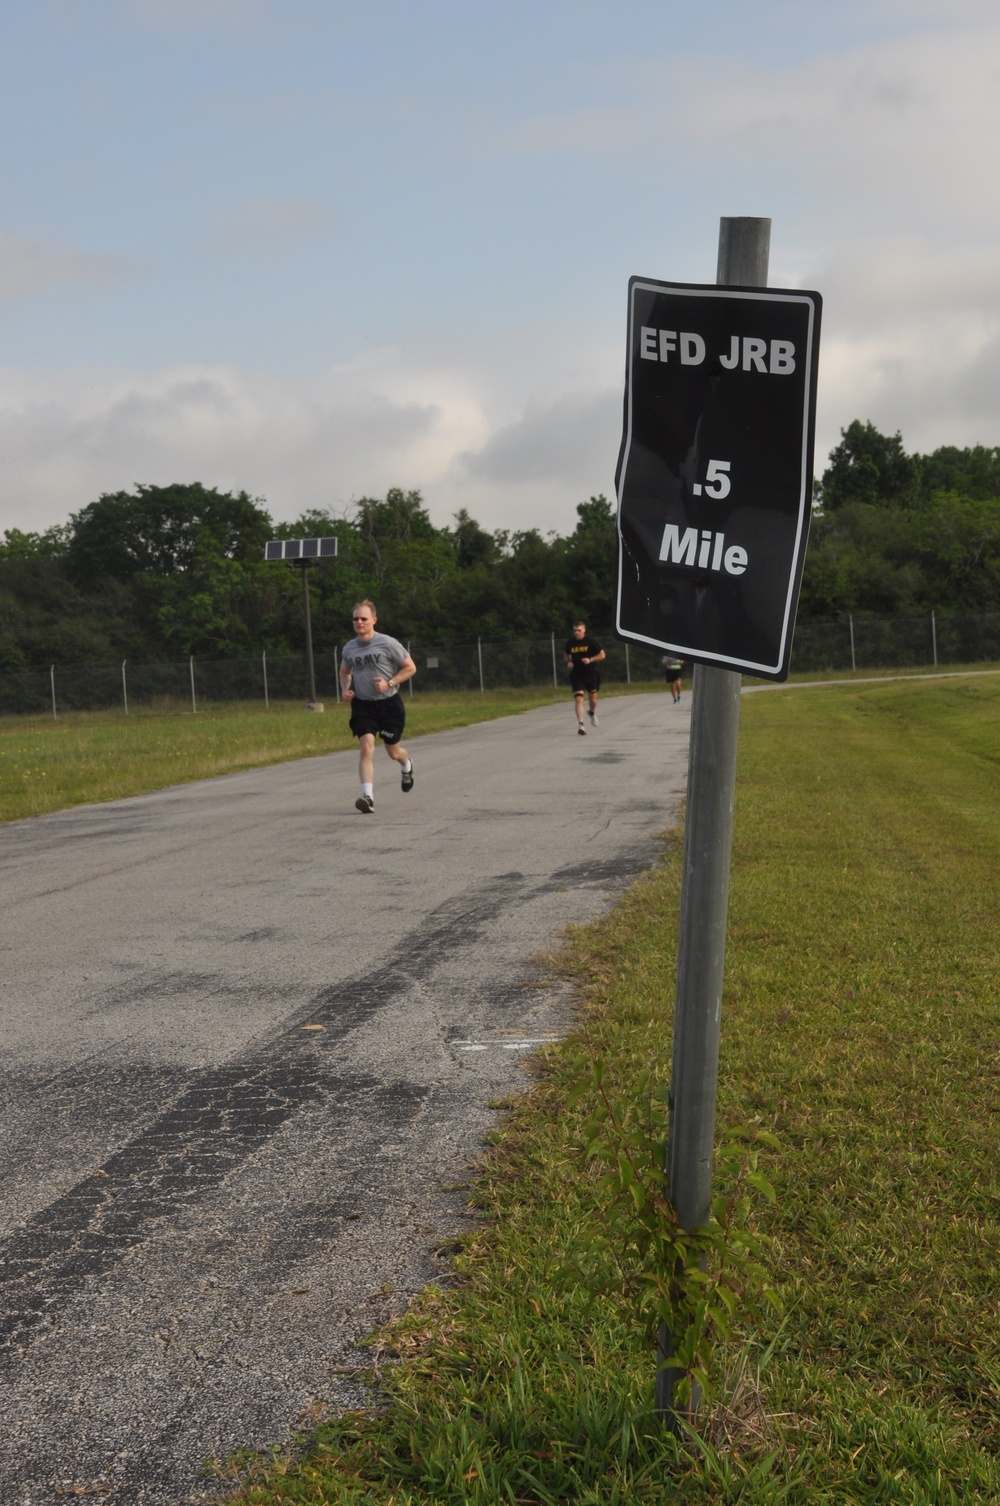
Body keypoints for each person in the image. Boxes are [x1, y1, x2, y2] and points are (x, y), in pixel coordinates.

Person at [339, 600, 417, 813]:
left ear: (374, 620)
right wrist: (345, 690)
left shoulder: (388, 643)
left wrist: (390, 682)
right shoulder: (350, 648)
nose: (359, 622)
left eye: (364, 618)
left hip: (389, 706)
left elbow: (410, 668)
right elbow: (345, 672)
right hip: (363, 705)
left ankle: (406, 765)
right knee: (366, 746)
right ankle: (368, 797)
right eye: (356, 619)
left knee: (393, 751)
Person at [563, 620, 606, 735]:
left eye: (579, 630)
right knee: (578, 698)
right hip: (577, 674)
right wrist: (568, 662)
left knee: (592, 699)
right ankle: (581, 725)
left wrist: (590, 659)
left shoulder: (590, 642)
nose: (576, 633)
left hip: (590, 673)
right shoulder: (570, 643)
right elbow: (566, 653)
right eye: (575, 631)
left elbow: (602, 655)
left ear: (584, 631)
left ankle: (591, 712)